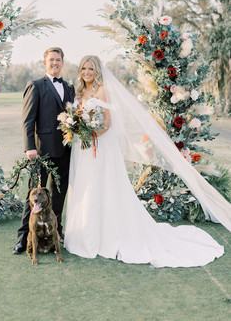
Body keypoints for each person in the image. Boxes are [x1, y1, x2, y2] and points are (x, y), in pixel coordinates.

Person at [64, 55, 231, 267]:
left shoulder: (103, 89)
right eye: (83, 68)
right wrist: (77, 129)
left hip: (100, 147)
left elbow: (107, 122)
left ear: (97, 71)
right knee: (85, 187)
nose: (87, 72)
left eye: (90, 68)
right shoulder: (79, 91)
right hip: (84, 149)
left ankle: (104, 236)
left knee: (102, 187)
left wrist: (91, 133)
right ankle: (83, 232)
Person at [13, 47, 75, 254]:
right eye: (51, 60)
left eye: (58, 60)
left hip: (65, 150)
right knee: (34, 195)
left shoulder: (69, 87)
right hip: (41, 151)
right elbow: (28, 120)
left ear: (62, 63)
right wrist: (29, 147)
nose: (55, 63)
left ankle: (55, 233)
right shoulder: (36, 86)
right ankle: (23, 237)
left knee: (59, 195)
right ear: (44, 63)